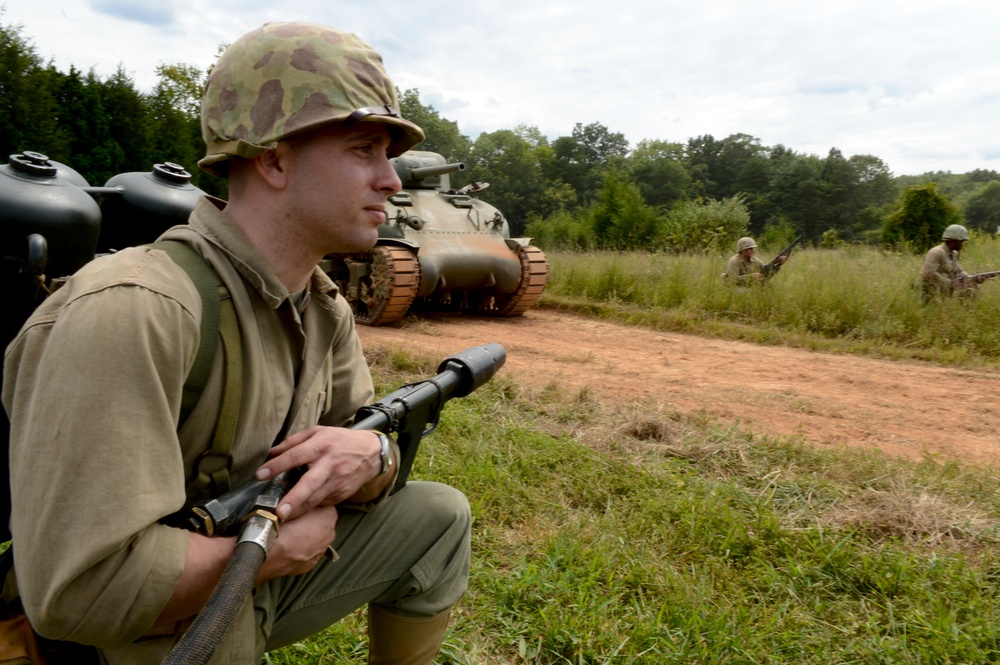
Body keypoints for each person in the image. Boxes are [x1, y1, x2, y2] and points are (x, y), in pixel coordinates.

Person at [2, 22, 471, 664]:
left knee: (438, 518)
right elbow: (80, 595)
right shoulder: (135, 311)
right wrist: (265, 557)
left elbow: (356, 439)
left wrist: (372, 457)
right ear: (274, 159)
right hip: (125, 629)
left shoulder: (321, 306)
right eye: (364, 149)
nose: (391, 179)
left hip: (244, 563)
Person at [920, 224, 984, 300]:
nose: (963, 244)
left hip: (945, 288)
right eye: (962, 241)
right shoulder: (936, 252)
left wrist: (973, 278)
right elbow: (929, 273)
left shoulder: (954, 254)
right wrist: (950, 283)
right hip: (932, 290)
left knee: (973, 286)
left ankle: (965, 310)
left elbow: (959, 271)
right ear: (955, 241)